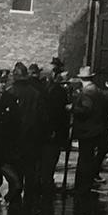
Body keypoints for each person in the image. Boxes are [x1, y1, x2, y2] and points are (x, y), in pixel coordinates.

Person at [0, 62, 46, 214]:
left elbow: (2, 118)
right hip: (31, 139)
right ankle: (29, 204)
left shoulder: (10, 93)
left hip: (14, 139)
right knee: (30, 172)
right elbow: (41, 118)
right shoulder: (36, 94)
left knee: (15, 171)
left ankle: (15, 202)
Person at [70, 67, 108, 194]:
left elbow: (85, 110)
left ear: (81, 79)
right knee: (89, 159)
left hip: (86, 131)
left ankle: (81, 188)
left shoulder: (87, 93)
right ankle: (86, 185)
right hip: (96, 130)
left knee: (84, 160)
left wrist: (72, 108)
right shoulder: (98, 91)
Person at [36, 64, 71, 198]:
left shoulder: (41, 88)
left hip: (42, 132)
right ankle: (46, 187)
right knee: (49, 162)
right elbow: (59, 114)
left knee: (41, 163)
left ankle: (41, 184)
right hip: (53, 133)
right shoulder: (58, 91)